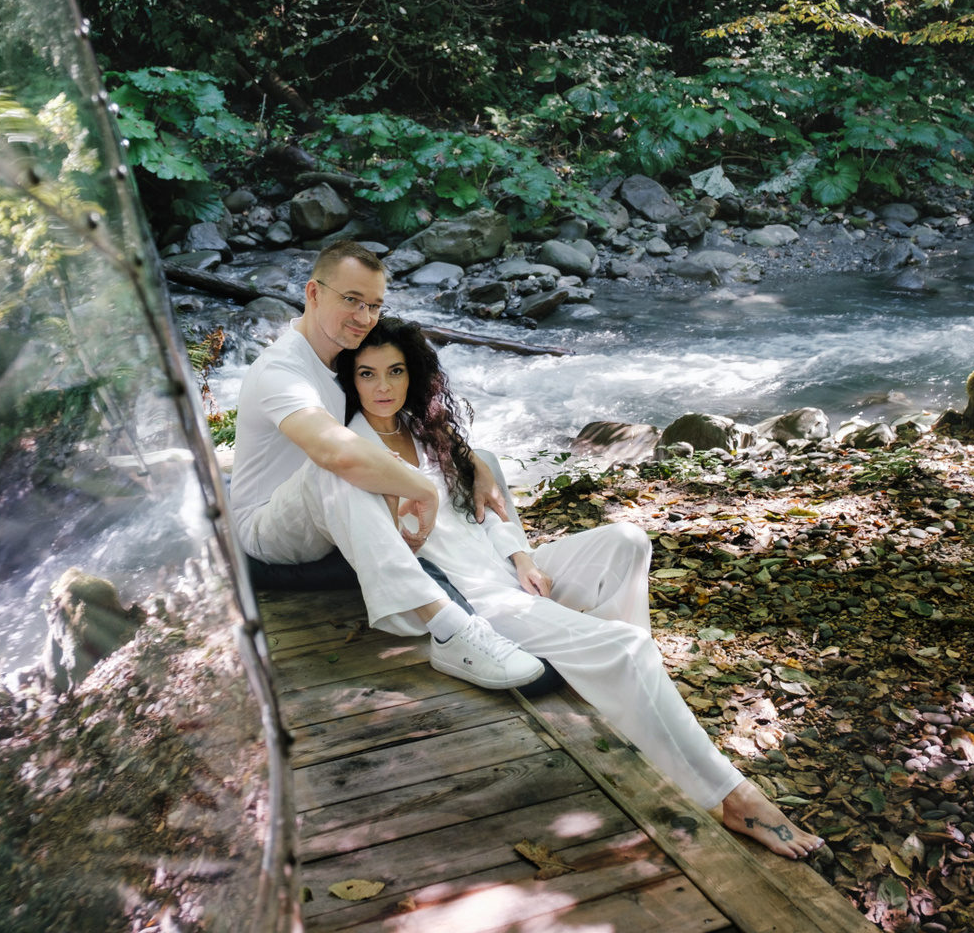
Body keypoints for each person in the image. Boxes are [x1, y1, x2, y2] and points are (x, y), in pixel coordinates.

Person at [334, 317, 824, 860]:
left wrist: (523, 557)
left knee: (627, 541)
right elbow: (385, 556)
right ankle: (732, 797)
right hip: (475, 601)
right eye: (368, 373)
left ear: (414, 374)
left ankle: (629, 697)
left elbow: (484, 511)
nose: (383, 386)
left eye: (396, 371)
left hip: (504, 571)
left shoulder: (427, 430)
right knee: (627, 647)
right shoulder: (350, 453)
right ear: (350, 380)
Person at [229, 241, 545, 689]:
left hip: (328, 522)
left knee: (474, 458)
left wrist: (474, 461)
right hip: (270, 533)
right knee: (340, 468)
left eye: (374, 305)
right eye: (352, 300)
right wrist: (422, 488)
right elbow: (334, 452)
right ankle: (451, 630)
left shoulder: (340, 352)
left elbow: (403, 415)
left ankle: (512, 571)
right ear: (313, 293)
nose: (364, 317)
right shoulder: (281, 372)